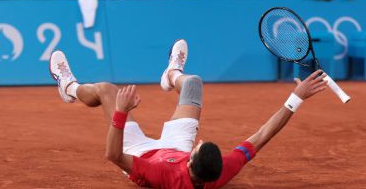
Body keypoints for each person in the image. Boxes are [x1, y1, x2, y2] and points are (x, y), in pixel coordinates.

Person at [49, 39, 328, 188]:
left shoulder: (162, 175)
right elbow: (262, 136)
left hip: (138, 153)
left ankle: (69, 87)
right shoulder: (220, 171)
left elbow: (113, 156)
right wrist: (296, 98)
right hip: (174, 148)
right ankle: (172, 74)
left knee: (107, 90)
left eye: (199, 147)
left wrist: (121, 113)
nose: (199, 140)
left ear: (191, 162)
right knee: (193, 84)